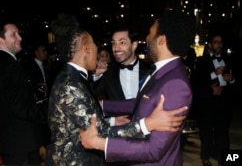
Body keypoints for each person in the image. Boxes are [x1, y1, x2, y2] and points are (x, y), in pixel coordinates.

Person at [45, 13, 188, 166]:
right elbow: (98, 132)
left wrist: (113, 118)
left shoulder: (73, 79)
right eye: (96, 44)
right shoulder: (71, 84)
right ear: (86, 49)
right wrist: (147, 124)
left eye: (122, 42)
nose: (101, 50)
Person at [0, 19, 48, 164]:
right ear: (0, 40)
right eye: (14, 34)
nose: (20, 38)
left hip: (7, 142)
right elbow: (20, 107)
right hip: (23, 143)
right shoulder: (11, 66)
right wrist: (48, 114)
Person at [193, 32, 235, 166]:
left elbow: (235, 82)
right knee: (206, 132)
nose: (219, 44)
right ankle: (206, 158)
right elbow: (196, 82)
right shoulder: (201, 61)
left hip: (223, 102)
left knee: (223, 132)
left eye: (220, 42)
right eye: (216, 41)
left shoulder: (228, 60)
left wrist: (231, 80)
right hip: (207, 102)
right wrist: (214, 74)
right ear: (210, 45)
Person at [92, 26, 151, 100]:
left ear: (134, 45)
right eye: (113, 43)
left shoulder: (150, 70)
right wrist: (97, 75)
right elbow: (92, 93)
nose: (116, 48)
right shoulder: (108, 72)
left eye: (122, 42)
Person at [20, 42, 52, 149]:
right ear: (36, 52)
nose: (45, 53)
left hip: (45, 102)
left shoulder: (46, 66)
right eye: (43, 51)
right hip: (36, 104)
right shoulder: (30, 67)